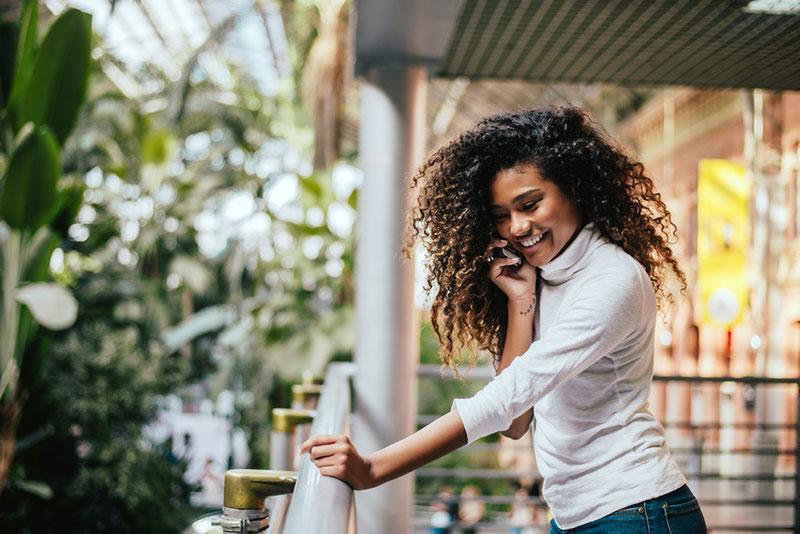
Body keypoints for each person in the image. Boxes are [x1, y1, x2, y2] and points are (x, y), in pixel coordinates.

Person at [300, 106, 708, 533]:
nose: (516, 227)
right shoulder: (547, 278)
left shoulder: (613, 280)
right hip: (577, 516)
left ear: (574, 188)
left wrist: (373, 469)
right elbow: (517, 424)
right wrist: (521, 301)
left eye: (530, 204)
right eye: (500, 215)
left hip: (636, 511)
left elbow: (503, 401)